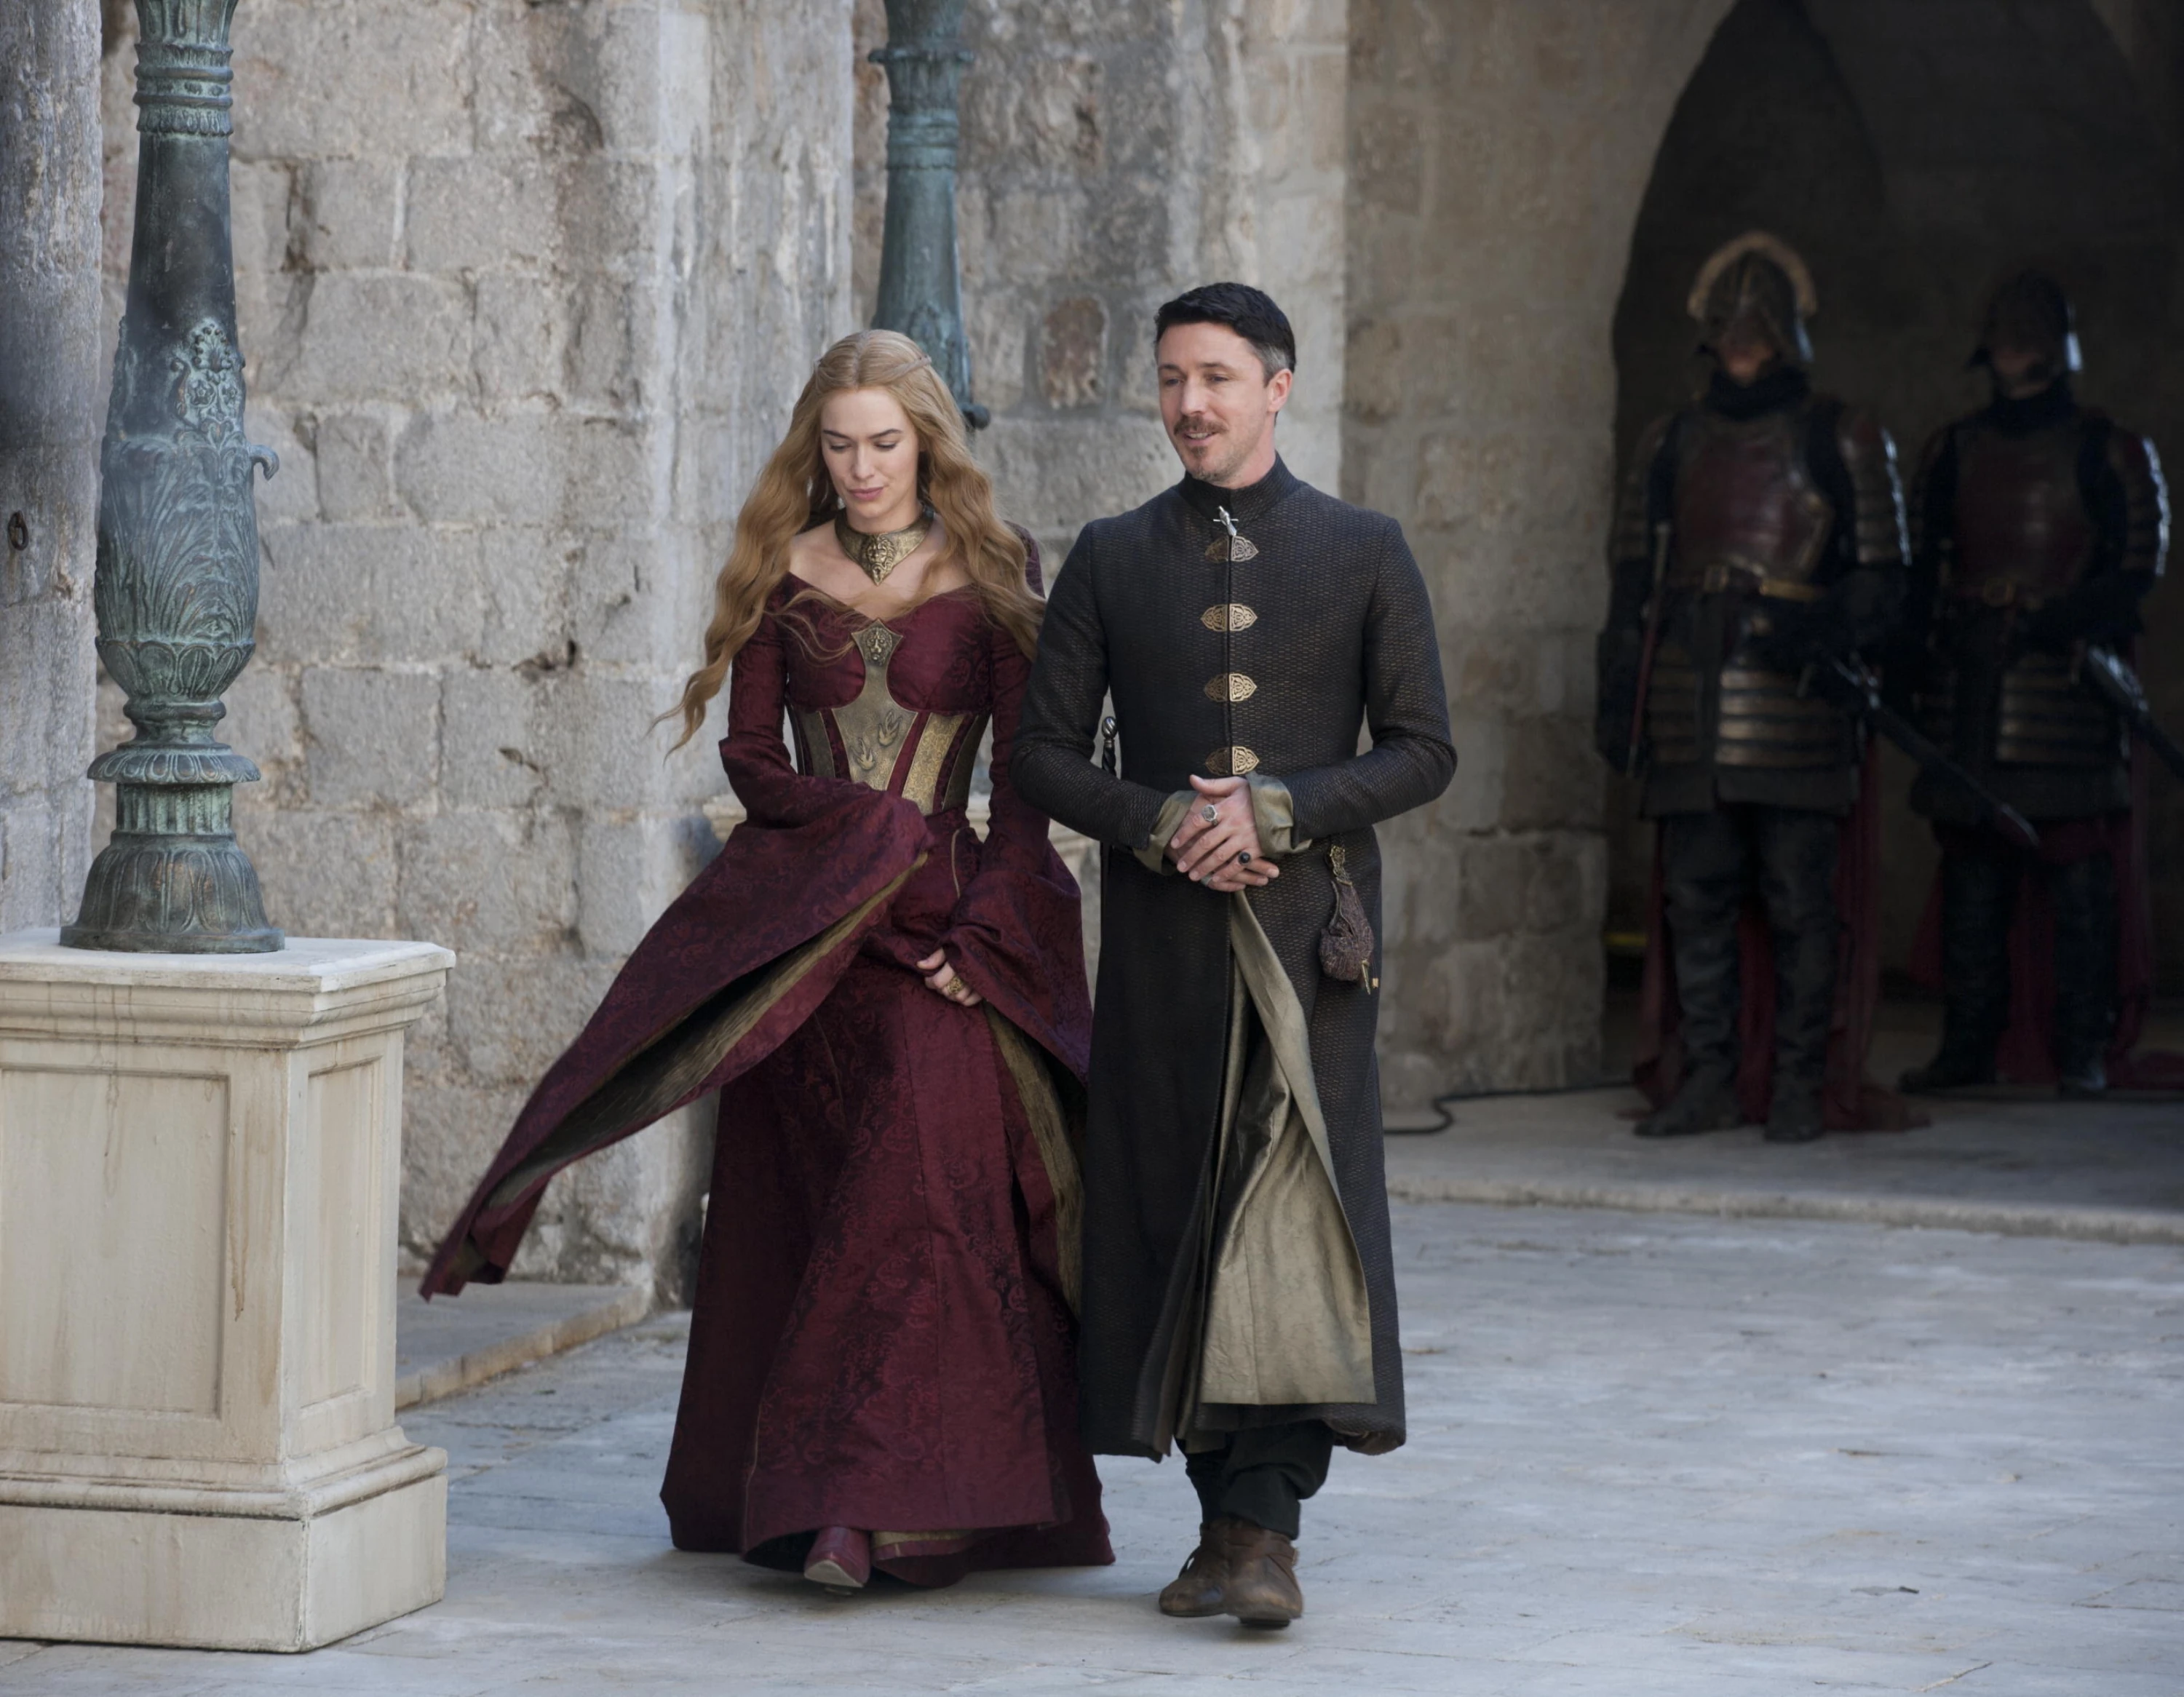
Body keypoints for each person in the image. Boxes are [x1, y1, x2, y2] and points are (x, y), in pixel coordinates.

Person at [421, 330, 1112, 1593]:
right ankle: (830, 1504)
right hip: (815, 932)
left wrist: (987, 936)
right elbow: (750, 758)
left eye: (885, 443)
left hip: (949, 936)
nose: (862, 468)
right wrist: (865, 836)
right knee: (825, 1197)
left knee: (921, 1172)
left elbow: (1024, 785)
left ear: (928, 444)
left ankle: (874, 1506)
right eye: (840, 445)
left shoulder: (997, 567)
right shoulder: (780, 566)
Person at [1013, 282, 1455, 1629]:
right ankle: (1222, 1531)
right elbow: (1041, 756)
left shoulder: (1364, 548)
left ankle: (1265, 1533)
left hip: (1312, 949)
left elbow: (1423, 749)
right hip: (1165, 949)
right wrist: (1162, 825)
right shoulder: (1109, 557)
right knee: (1181, 1210)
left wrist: (1278, 809)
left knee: (1290, 1213)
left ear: (1276, 386)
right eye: (1170, 379)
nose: (1189, 404)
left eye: (1214, 377)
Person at [1597, 232, 1912, 1142]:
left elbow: (1883, 577)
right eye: (1730, 335)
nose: (1741, 349)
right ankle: (1708, 1079)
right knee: (1695, 899)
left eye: (1756, 335)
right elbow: (1632, 576)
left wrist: (1814, 633)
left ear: (1785, 339)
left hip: (1793, 702)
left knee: (1799, 902)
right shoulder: (1671, 439)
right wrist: (1619, 688)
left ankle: (1801, 1083)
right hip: (1686, 693)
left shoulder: (1842, 435)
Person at [1899, 271, 2175, 1097]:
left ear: (2054, 351)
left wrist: (2062, 620)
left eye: (2027, 341)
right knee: (1973, 873)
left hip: (2062, 684)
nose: (2014, 354)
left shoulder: (2108, 450)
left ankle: (2080, 1043)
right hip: (1971, 679)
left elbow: (2136, 567)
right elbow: (1921, 570)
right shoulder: (1952, 451)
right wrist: (1911, 661)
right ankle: (1968, 1042)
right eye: (2005, 341)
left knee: (2077, 872)